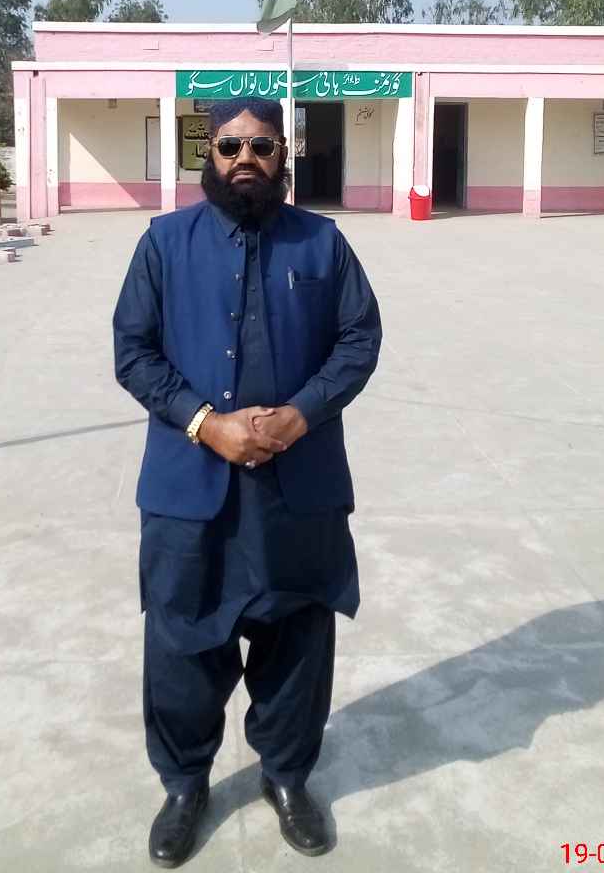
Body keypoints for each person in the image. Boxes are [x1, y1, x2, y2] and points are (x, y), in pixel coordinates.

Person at [113, 95, 382, 867]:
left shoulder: (322, 244)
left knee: (297, 638)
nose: (245, 159)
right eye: (231, 146)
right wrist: (208, 425)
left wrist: (300, 415)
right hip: (190, 490)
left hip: (299, 489)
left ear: (283, 156)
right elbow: (133, 351)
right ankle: (184, 786)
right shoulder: (165, 244)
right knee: (182, 641)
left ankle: (287, 777)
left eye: (262, 146)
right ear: (210, 153)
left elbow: (359, 338)